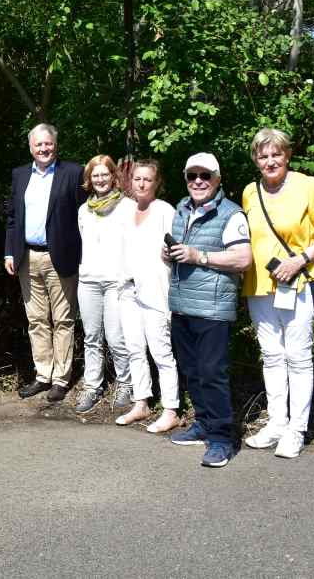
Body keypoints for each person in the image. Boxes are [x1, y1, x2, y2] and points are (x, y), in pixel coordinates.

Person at [241, 128, 314, 458]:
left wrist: (300, 259)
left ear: (287, 155)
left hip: (298, 284)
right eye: (263, 155)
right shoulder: (249, 192)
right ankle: (276, 423)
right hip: (259, 287)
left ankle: (296, 431)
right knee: (271, 355)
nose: (270, 161)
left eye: (276, 154)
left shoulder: (307, 186)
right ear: (256, 159)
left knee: (297, 357)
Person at [164, 153, 252, 468]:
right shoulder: (180, 209)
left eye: (205, 175)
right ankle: (203, 424)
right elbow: (182, 255)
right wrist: (170, 254)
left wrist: (197, 256)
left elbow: (243, 259)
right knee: (191, 370)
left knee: (213, 374)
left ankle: (221, 438)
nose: (198, 181)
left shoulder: (231, 214)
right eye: (192, 176)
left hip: (213, 309)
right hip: (182, 305)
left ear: (217, 179)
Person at [5, 123, 86, 402]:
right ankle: (43, 375)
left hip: (61, 257)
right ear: (31, 147)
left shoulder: (73, 173)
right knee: (37, 320)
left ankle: (61, 379)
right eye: (38, 145)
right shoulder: (19, 175)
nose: (44, 149)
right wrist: (9, 253)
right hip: (27, 256)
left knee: (63, 319)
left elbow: (85, 216)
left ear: (55, 144)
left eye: (48, 144)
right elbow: (13, 217)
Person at [116, 160, 180, 432]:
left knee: (161, 352)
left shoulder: (164, 210)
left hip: (155, 291)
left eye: (147, 180)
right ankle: (141, 402)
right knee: (134, 349)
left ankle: (171, 409)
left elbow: (176, 248)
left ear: (157, 183)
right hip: (128, 289)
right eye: (137, 179)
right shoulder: (126, 211)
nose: (141, 184)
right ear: (131, 182)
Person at [74, 155, 134, 413]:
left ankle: (126, 383)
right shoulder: (83, 211)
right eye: (94, 175)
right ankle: (92, 386)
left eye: (104, 174)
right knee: (91, 337)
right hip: (88, 280)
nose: (99, 179)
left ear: (113, 177)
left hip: (116, 282)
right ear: (89, 179)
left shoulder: (128, 207)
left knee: (116, 337)